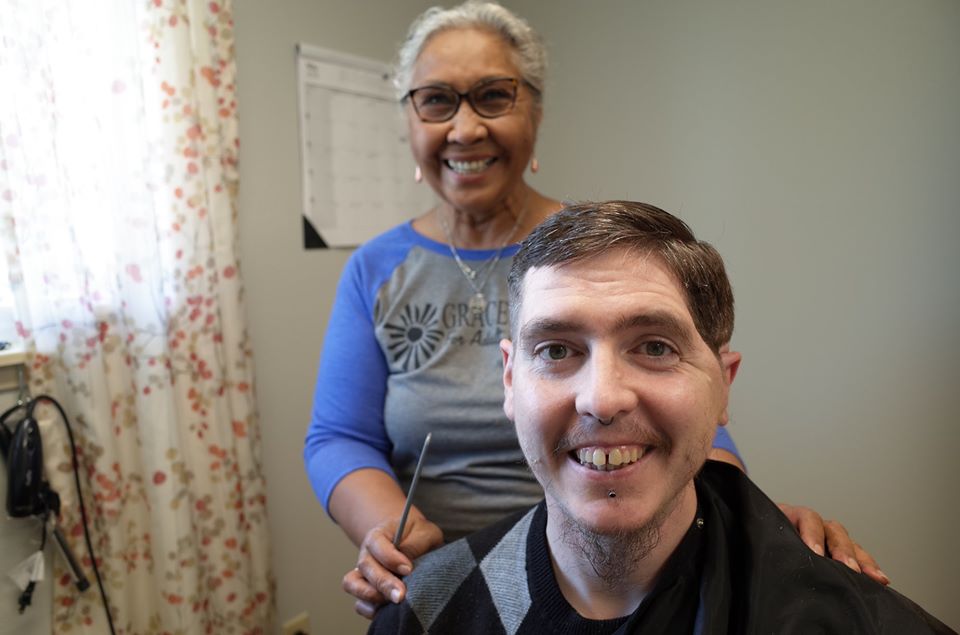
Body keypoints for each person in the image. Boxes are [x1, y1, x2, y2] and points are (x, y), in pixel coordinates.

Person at [304, 1, 883, 618]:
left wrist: (749, 524)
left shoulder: (595, 257)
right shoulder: (376, 269)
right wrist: (395, 532)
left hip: (607, 565)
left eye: (493, 97)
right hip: (448, 577)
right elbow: (340, 435)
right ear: (408, 121)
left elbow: (682, 403)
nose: (465, 128)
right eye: (437, 100)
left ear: (535, 111)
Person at [368, 200, 955, 634]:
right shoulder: (423, 612)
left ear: (722, 386)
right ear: (510, 380)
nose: (602, 398)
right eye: (555, 350)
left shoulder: (850, 621)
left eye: (654, 347)